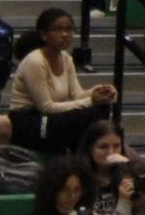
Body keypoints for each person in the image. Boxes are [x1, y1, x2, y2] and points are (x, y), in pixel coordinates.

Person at [8, 10, 118, 153]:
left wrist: (101, 91)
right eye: (58, 30)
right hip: (29, 121)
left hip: (51, 118)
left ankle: (90, 158)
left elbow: (77, 94)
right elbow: (46, 107)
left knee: (101, 107)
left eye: (69, 30)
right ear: (43, 34)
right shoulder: (35, 61)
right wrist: (91, 101)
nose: (65, 35)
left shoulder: (66, 58)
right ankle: (85, 159)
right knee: (89, 114)